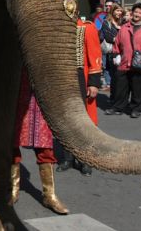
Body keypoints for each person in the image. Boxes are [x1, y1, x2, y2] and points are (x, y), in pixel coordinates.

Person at [10, 69, 68, 215]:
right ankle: (13, 189)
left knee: (45, 147)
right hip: (18, 91)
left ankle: (49, 195)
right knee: (12, 143)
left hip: (43, 94)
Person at [57, 17, 101, 176]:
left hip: (81, 78)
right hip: (64, 79)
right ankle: (68, 158)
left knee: (85, 122)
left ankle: (85, 160)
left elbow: (95, 55)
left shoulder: (86, 27)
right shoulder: (57, 27)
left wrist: (94, 82)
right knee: (65, 120)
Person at [108, 3, 141, 118]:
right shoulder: (124, 27)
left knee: (139, 89)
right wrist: (116, 54)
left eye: (140, 13)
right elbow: (117, 42)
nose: (137, 14)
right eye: (135, 12)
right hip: (125, 62)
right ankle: (118, 107)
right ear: (132, 13)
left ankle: (136, 108)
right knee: (121, 87)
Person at [100, 3, 124, 98]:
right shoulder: (106, 22)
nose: (119, 13)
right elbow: (108, 37)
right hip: (113, 53)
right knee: (114, 76)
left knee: (122, 77)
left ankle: (121, 97)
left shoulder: (123, 23)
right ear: (112, 11)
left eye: (121, 11)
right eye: (117, 10)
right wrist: (121, 40)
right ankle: (114, 97)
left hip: (123, 52)